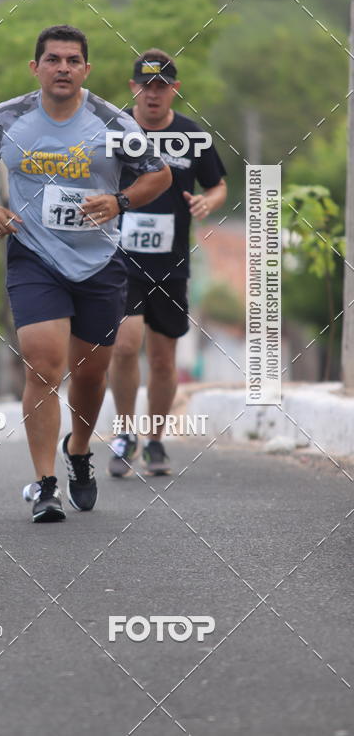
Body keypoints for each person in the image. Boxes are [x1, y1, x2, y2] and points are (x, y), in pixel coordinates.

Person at [0, 25, 171, 522]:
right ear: (35, 68)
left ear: (86, 70)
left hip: (99, 262)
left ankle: (78, 449)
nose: (63, 68)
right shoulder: (6, 118)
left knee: (91, 372)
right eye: (53, 59)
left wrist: (120, 201)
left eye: (73, 60)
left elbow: (159, 174)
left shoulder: (113, 122)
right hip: (34, 255)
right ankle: (45, 485)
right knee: (43, 363)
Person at [108, 49, 227, 477]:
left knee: (162, 359)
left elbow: (218, 185)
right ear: (133, 88)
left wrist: (207, 202)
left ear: (174, 90)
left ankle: (155, 440)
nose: (152, 94)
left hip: (171, 264)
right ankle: (125, 433)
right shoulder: (114, 130)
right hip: (120, 259)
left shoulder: (191, 135)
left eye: (161, 86)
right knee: (125, 346)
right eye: (145, 86)